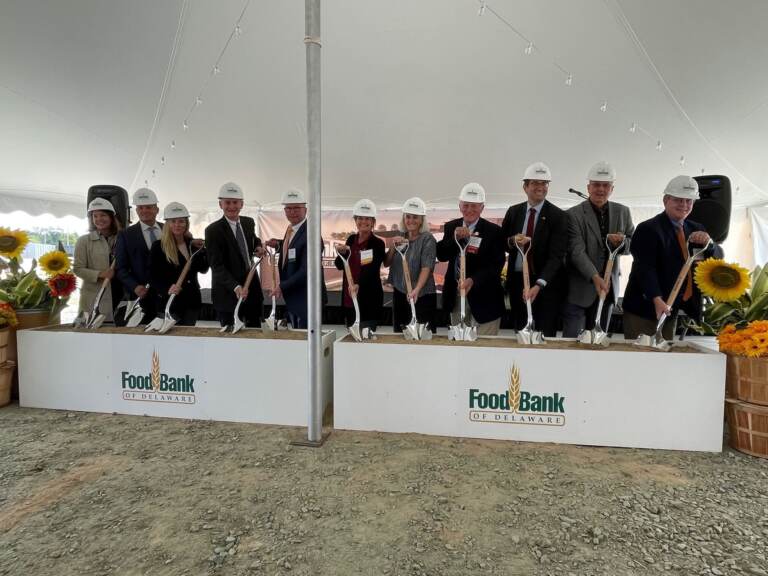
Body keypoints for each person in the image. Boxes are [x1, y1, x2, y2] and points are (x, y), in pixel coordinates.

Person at [623, 175, 723, 340]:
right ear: (666, 200)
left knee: (665, 359)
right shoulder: (648, 229)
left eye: (688, 201)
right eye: (678, 200)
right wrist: (656, 299)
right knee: (640, 357)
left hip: (672, 308)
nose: (684, 205)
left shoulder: (697, 229)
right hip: (645, 308)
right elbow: (645, 268)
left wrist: (710, 243)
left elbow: (718, 257)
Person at [562, 162, 634, 337]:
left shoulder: (623, 212)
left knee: (598, 344)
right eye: (596, 185)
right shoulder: (573, 214)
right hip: (580, 291)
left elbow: (633, 244)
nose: (600, 189)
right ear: (588, 187)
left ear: (612, 189)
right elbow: (576, 251)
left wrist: (622, 243)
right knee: (571, 344)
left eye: (605, 185)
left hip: (608, 291)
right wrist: (595, 277)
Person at [500, 162, 568, 337]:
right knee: (521, 334)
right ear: (525, 187)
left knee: (545, 336)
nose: (541, 187)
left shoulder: (558, 216)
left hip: (545, 286)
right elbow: (501, 243)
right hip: (517, 283)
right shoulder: (514, 212)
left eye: (544, 183)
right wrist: (512, 240)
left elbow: (557, 256)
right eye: (535, 183)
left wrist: (539, 284)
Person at [436, 183, 505, 335]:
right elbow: (441, 255)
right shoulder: (451, 227)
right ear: (459, 206)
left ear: (482, 207)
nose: (469, 210)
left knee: (485, 350)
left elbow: (496, 265)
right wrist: (454, 238)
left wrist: (473, 280)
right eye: (466, 205)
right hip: (455, 296)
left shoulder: (494, 231)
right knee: (459, 346)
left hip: (485, 298)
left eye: (474, 206)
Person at [204, 182, 264, 328]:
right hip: (227, 294)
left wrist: (258, 246)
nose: (231, 206)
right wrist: (236, 286)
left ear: (242, 204)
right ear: (220, 204)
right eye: (227, 203)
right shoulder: (213, 231)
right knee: (229, 339)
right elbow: (216, 266)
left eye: (235, 202)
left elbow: (253, 240)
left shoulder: (248, 222)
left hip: (252, 290)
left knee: (254, 334)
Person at [266, 189, 326, 329]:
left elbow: (307, 270)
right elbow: (295, 249)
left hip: (307, 300)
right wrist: (280, 245)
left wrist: (282, 286)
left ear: (305, 209)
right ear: (285, 211)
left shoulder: (312, 233)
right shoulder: (292, 229)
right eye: (289, 208)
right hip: (295, 299)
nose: (292, 212)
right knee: (297, 339)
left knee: (305, 342)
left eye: (296, 208)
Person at [149, 202, 209, 326]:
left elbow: (203, 269)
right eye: (173, 221)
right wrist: (167, 288)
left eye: (181, 221)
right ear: (167, 224)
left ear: (186, 223)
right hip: (170, 302)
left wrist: (204, 250)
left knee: (188, 340)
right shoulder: (159, 247)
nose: (177, 225)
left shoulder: (192, 245)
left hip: (191, 301)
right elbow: (152, 276)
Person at [384, 197, 437, 333]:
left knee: (422, 338)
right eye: (408, 217)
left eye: (415, 217)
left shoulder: (427, 239)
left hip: (422, 295)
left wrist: (417, 289)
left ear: (421, 220)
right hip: (401, 294)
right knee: (400, 335)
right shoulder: (400, 236)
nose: (411, 220)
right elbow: (387, 263)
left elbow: (427, 267)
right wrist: (392, 247)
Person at [334, 199, 386, 332]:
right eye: (360, 218)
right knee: (351, 338)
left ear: (373, 221)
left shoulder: (377, 243)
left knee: (367, 339)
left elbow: (372, 269)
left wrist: (358, 285)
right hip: (349, 298)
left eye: (367, 218)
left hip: (368, 299)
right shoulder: (351, 239)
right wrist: (341, 253)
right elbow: (340, 265)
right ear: (355, 220)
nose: (364, 222)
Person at [115, 188, 163, 325]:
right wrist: (135, 286)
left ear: (157, 210)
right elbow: (121, 268)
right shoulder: (126, 235)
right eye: (140, 208)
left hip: (166, 296)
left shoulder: (168, 230)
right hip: (141, 297)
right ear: (136, 211)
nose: (144, 210)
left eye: (149, 207)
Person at [73, 198, 123, 323]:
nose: (99, 219)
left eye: (103, 215)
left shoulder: (122, 238)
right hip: (94, 299)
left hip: (120, 296)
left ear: (111, 217)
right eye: (95, 216)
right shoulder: (84, 241)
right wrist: (100, 274)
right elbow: (78, 269)